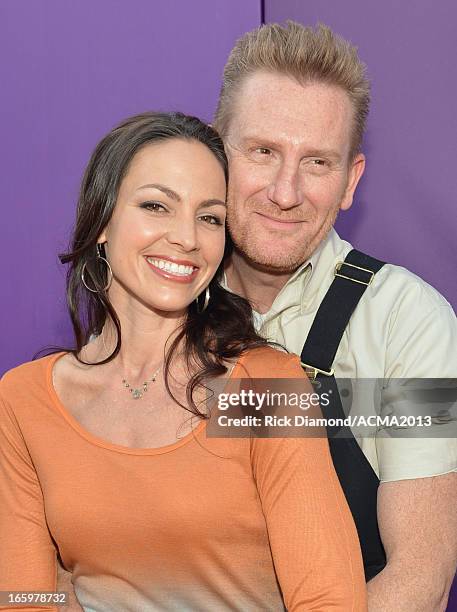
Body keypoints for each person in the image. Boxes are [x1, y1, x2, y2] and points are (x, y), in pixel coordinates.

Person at [0, 112, 367, 611]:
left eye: (210, 217)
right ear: (103, 220)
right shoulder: (24, 401)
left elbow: (331, 599)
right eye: (156, 205)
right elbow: (23, 595)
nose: (187, 238)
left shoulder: (262, 386)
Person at [212, 21, 457, 611]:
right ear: (214, 151)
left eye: (318, 162)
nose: (285, 191)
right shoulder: (157, 301)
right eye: (263, 151)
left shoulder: (412, 321)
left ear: (351, 181)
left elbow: (419, 575)